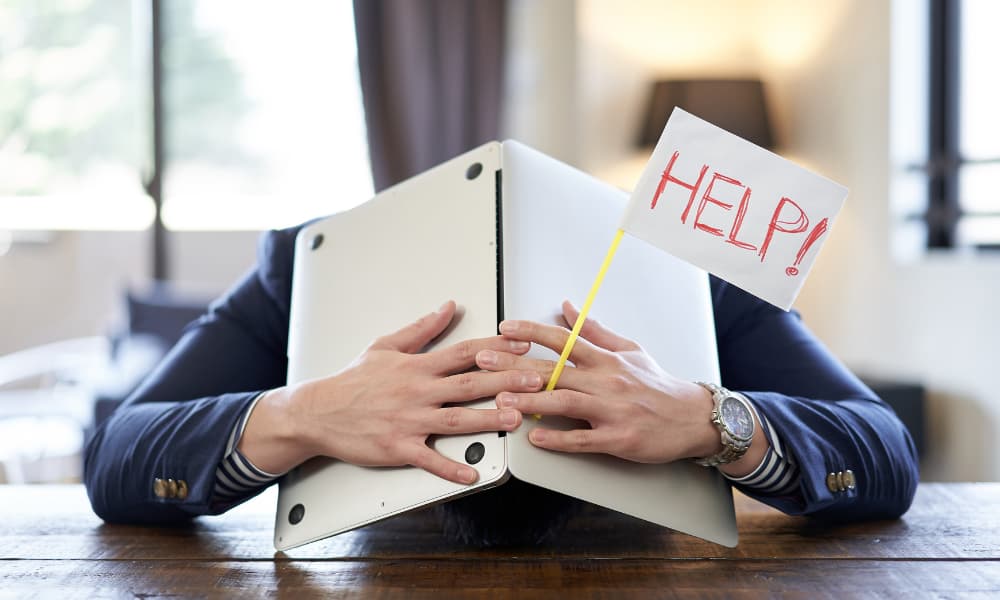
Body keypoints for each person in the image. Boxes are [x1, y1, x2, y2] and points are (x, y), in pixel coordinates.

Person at [84, 224, 919, 542]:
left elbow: (885, 449)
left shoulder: (695, 272)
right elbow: (117, 454)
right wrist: (302, 413)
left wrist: (711, 417)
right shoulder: (301, 263)